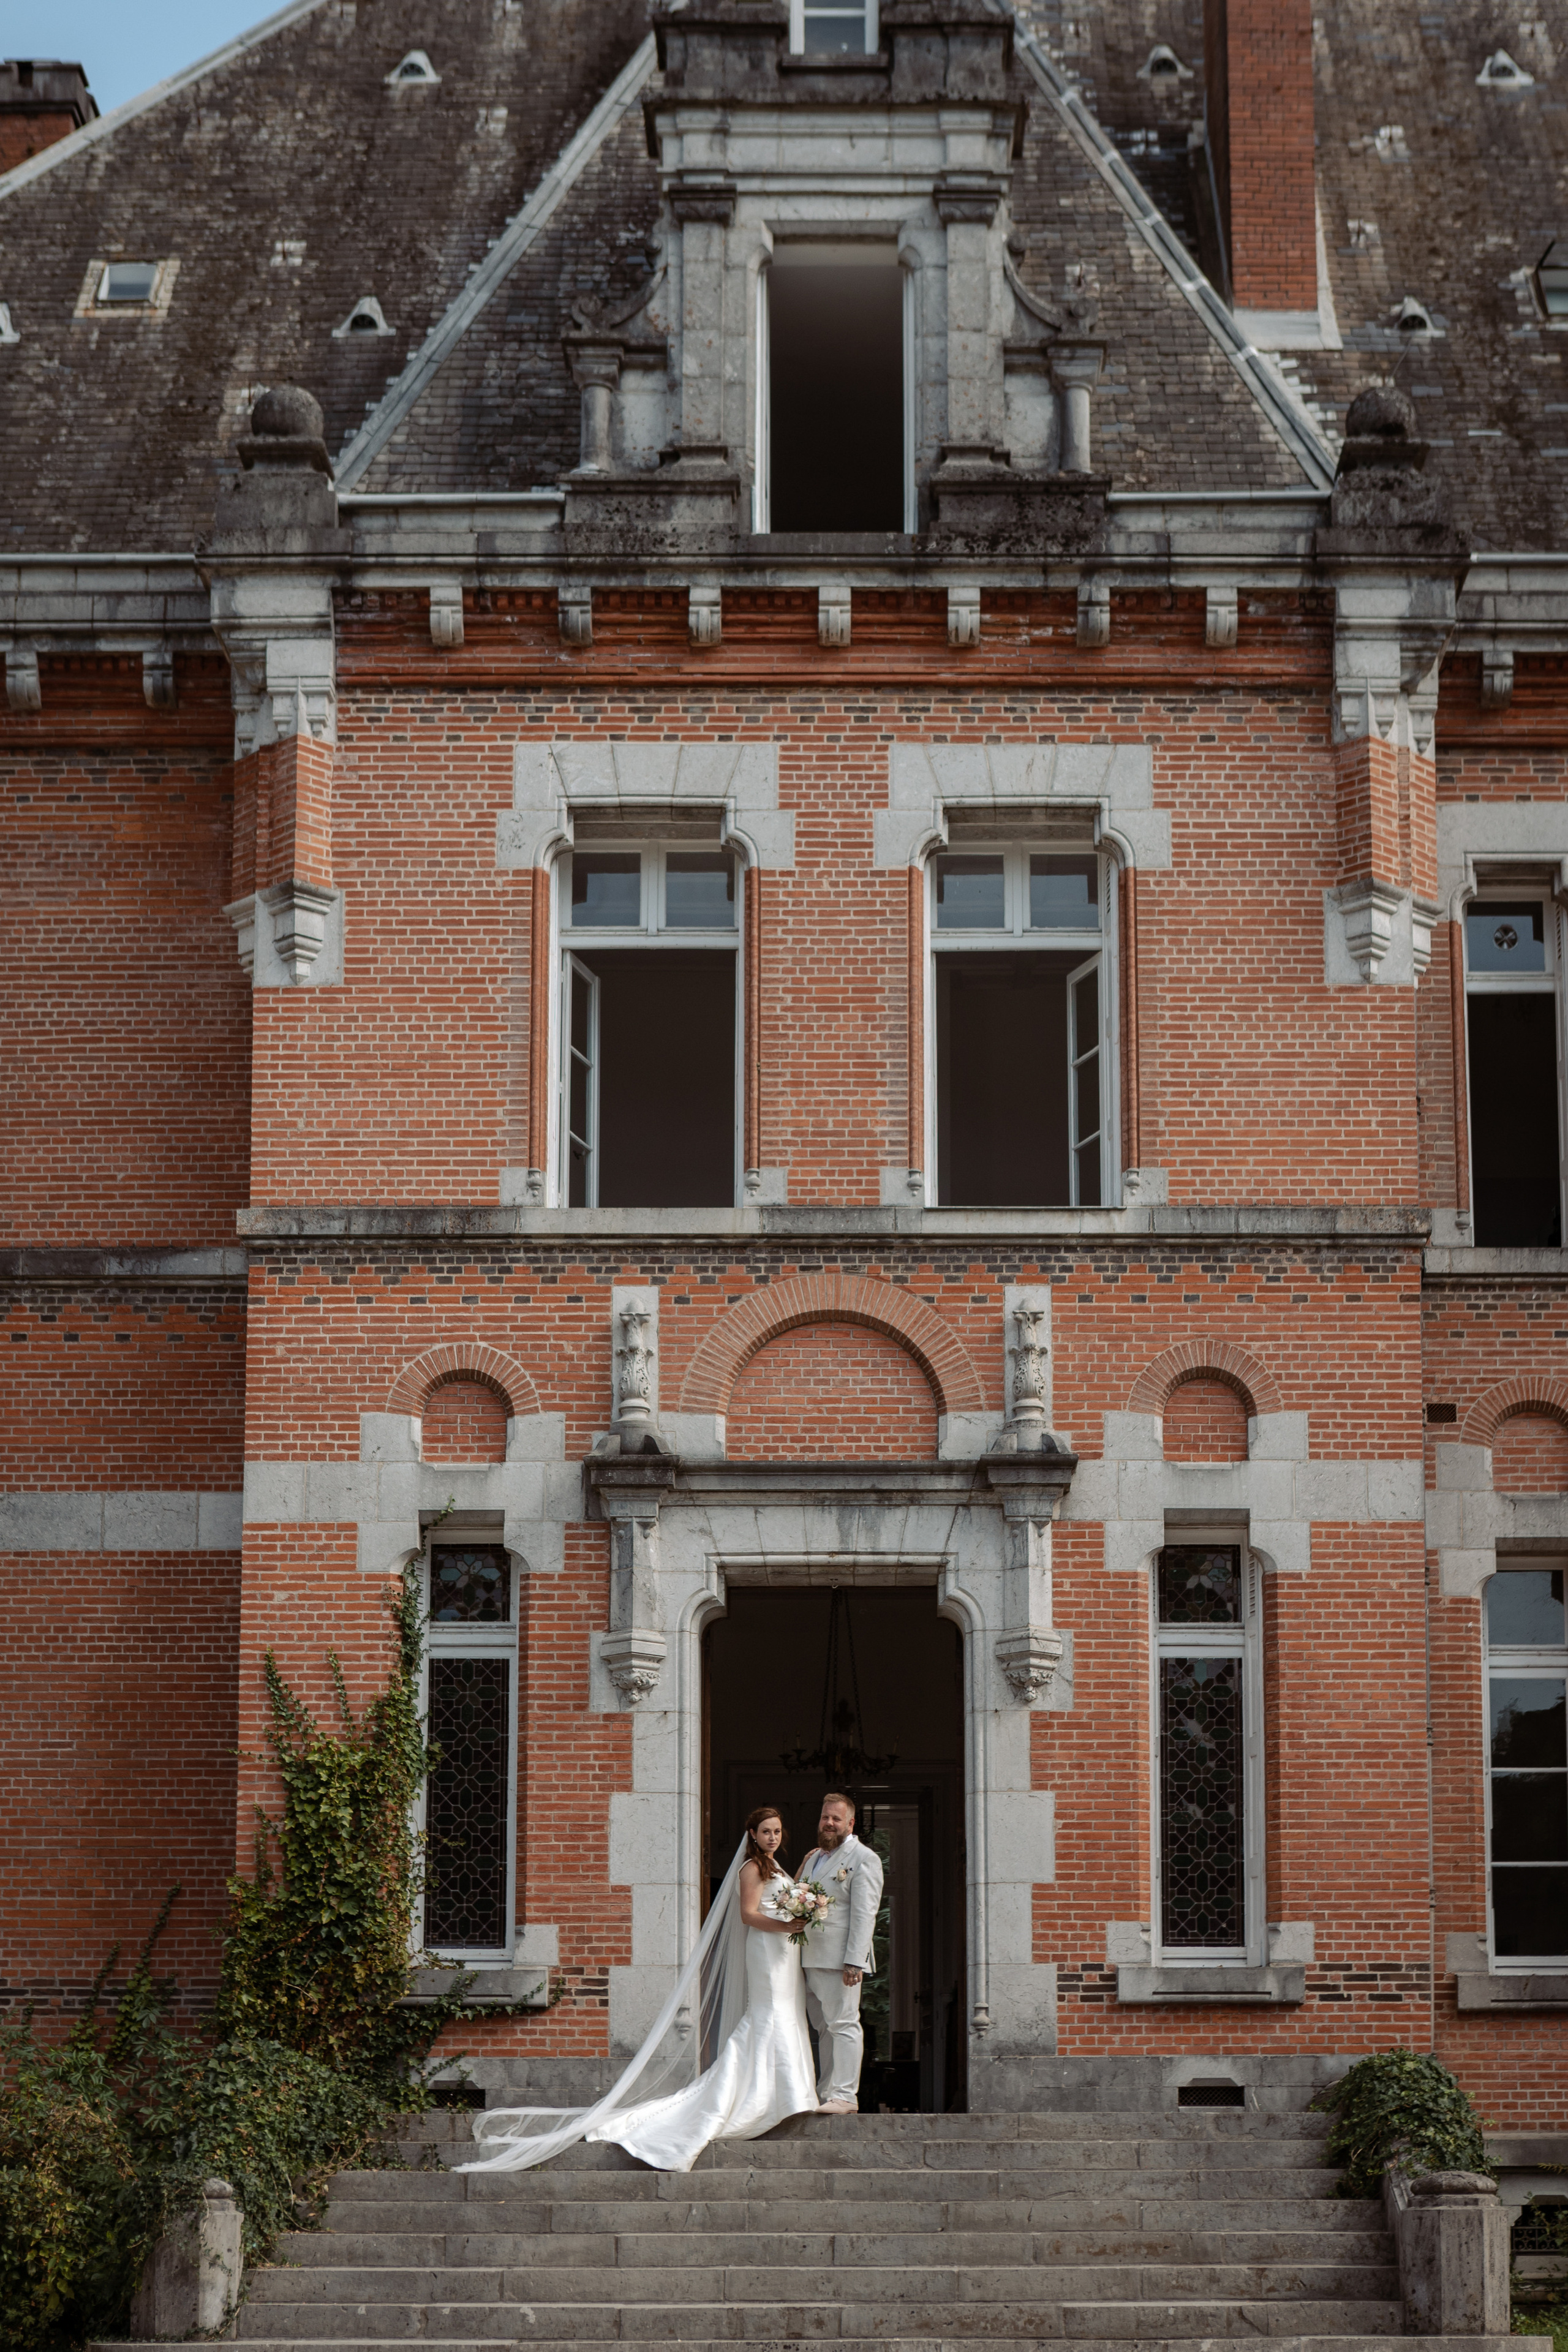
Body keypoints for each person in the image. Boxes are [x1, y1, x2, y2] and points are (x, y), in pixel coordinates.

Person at [459, 1805, 818, 2176]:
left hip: (783, 1953)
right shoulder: (752, 1868)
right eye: (766, 1832)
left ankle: (785, 2090)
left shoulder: (776, 1867)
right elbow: (748, 1915)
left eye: (777, 1831)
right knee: (769, 2013)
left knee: (784, 2012)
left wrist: (805, 1885)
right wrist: (787, 1926)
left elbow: (785, 1903)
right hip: (767, 1949)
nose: (772, 1837)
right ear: (753, 1834)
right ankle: (766, 2094)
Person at [795, 1790, 883, 2115]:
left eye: (836, 1818)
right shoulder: (815, 1858)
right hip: (807, 1958)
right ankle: (827, 2094)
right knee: (824, 2028)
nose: (829, 1823)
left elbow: (864, 1914)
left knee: (844, 2024)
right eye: (825, 1817)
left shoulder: (865, 1859)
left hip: (839, 1961)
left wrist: (854, 1961)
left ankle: (846, 2095)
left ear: (851, 1822)